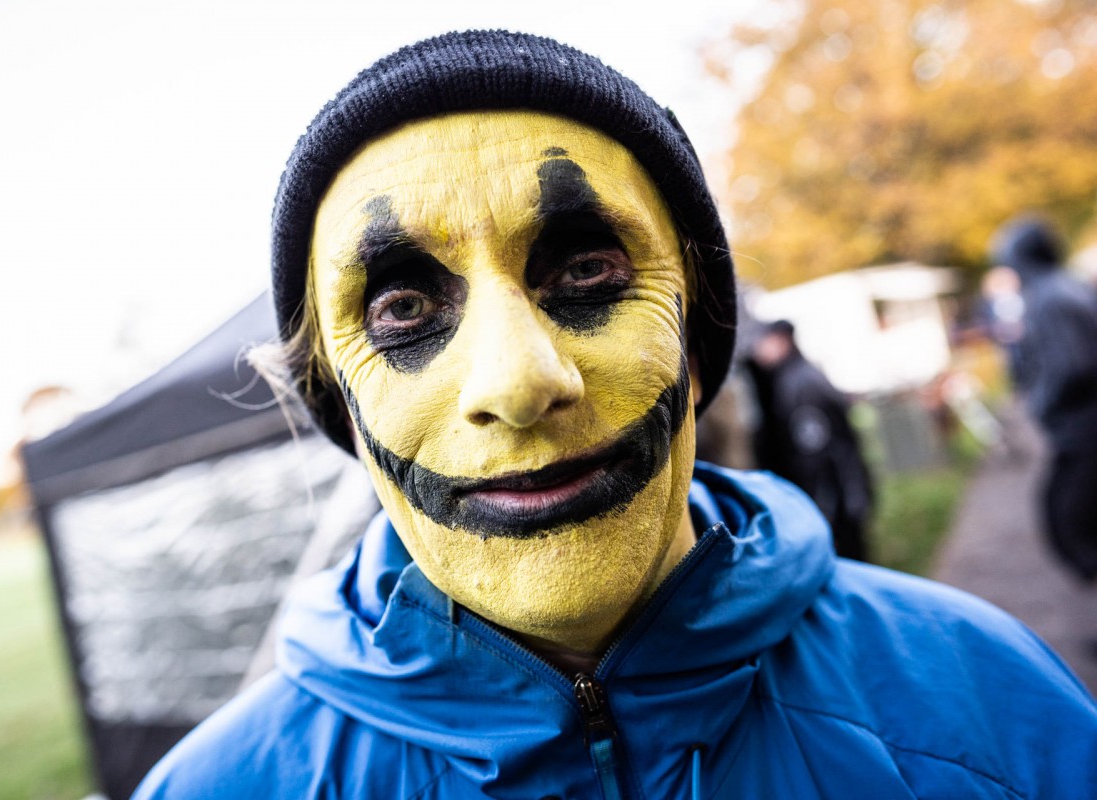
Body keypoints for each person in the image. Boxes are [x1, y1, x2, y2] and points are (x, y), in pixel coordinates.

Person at [134, 31, 1097, 799]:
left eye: (587, 268)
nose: (518, 381)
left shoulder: (990, 705)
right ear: (335, 396)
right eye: (402, 308)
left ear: (696, 326)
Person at [990, 217, 1097, 582]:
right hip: (1079, 430)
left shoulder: (1052, 298)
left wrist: (1041, 401)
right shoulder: (1058, 291)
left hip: (1084, 430)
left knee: (1074, 522)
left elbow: (1075, 364)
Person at [746, 320, 873, 561]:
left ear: (781, 340)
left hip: (836, 503)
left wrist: (820, 511)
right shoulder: (796, 377)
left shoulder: (800, 385)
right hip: (840, 499)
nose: (756, 349)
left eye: (762, 342)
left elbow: (815, 454)